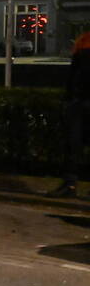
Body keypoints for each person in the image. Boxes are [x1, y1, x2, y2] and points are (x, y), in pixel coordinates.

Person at [47, 31, 90, 198]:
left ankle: (70, 184)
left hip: (79, 102)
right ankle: (70, 184)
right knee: (73, 144)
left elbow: (73, 76)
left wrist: (69, 99)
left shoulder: (83, 44)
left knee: (73, 145)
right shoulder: (83, 43)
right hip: (80, 102)